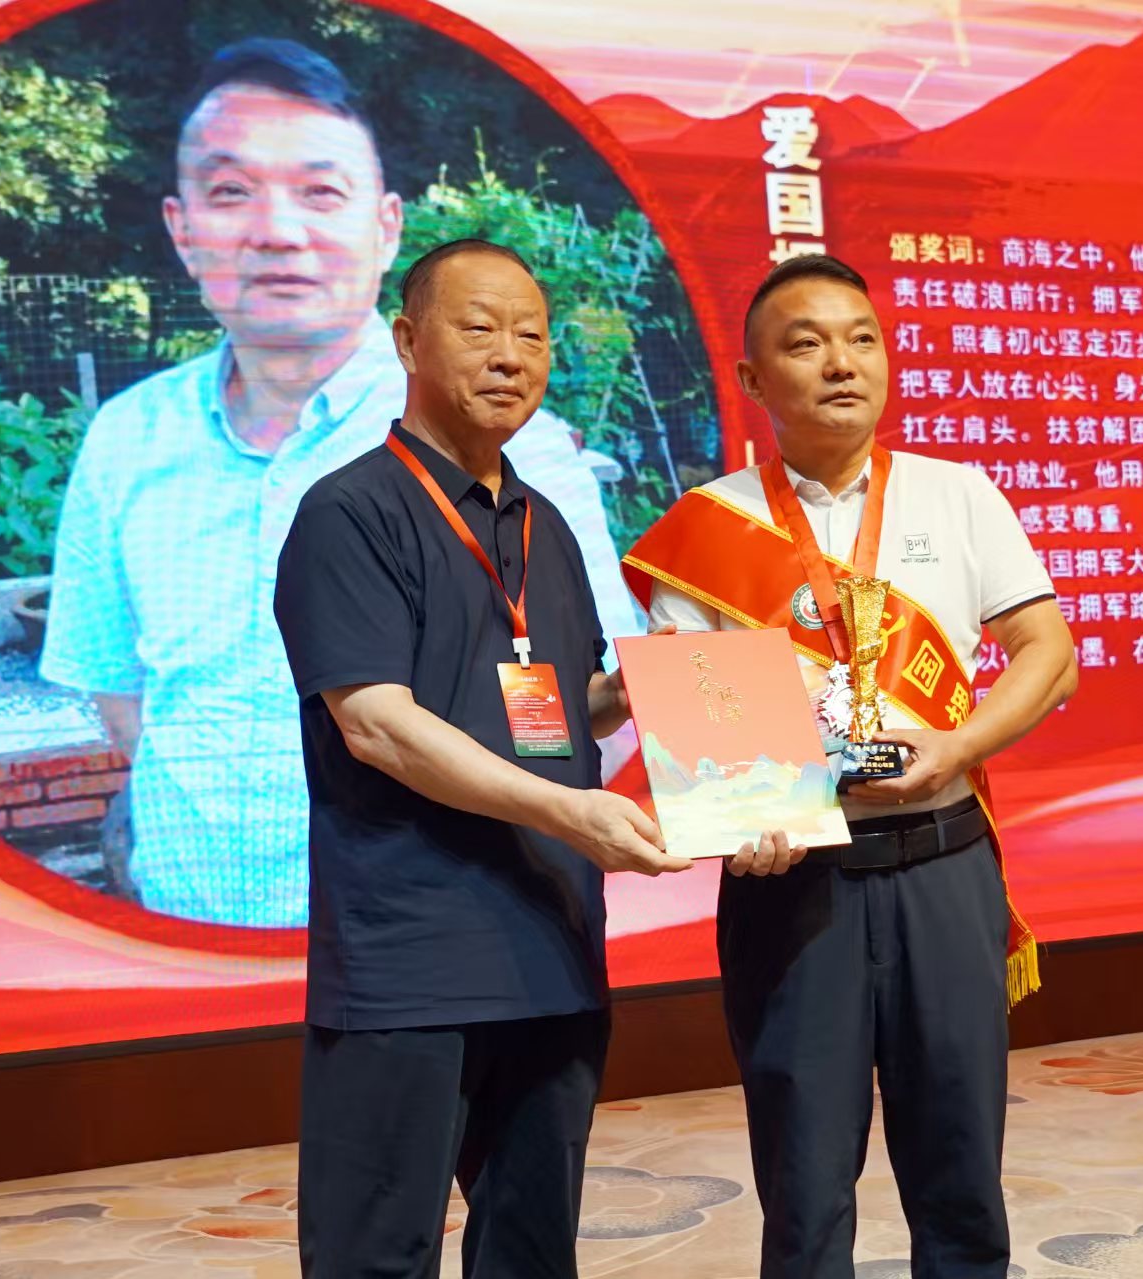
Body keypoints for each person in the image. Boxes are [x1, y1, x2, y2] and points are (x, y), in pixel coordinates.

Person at [39, 38, 641, 927]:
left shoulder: (517, 450)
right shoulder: (126, 438)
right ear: (181, 227)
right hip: (185, 923)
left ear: (386, 226)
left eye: (320, 192)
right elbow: (118, 689)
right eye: (230, 191)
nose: (279, 231)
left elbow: (593, 712)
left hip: (422, 933)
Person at [622, 254, 1078, 1279]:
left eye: (861, 339)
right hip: (796, 888)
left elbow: (1049, 653)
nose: (841, 363)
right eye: (807, 343)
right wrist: (744, 814)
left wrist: (958, 745)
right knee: (804, 1181)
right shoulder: (709, 525)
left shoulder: (957, 495)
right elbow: (699, 711)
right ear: (751, 378)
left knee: (960, 1167)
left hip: (944, 867)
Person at [272, 238, 690, 1278]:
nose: (511, 355)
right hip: (411, 962)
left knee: (533, 1250)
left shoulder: (547, 525)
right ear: (407, 340)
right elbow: (376, 723)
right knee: (376, 1254)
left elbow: (555, 709)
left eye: (532, 335)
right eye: (479, 327)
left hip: (550, 948)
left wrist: (667, 678)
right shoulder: (350, 513)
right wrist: (572, 815)